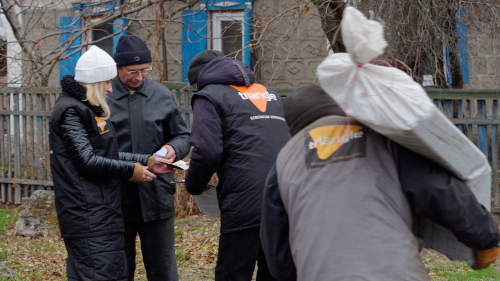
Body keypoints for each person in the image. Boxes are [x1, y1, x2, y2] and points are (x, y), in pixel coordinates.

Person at [260, 84, 500, 281]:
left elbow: (277, 253)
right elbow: (439, 190)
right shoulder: (380, 137)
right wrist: (484, 238)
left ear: (291, 126)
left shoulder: (283, 161)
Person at [49, 46, 169, 280]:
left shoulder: (86, 109)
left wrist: (147, 161)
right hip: (88, 217)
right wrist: (131, 171)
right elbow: (87, 161)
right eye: (106, 83)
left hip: (101, 215)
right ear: (93, 83)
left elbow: (108, 153)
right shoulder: (71, 111)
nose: (110, 89)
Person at [184, 50, 291, 281]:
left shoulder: (208, 95)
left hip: (245, 203)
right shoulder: (269, 93)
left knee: (232, 274)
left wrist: (193, 185)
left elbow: (207, 151)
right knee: (274, 274)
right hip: (285, 198)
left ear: (200, 79)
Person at [107, 35, 190, 281]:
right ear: (117, 68)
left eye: (145, 70)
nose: (139, 77)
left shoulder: (161, 94)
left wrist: (175, 148)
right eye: (133, 71)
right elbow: (99, 150)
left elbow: (183, 135)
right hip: (116, 200)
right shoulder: (104, 96)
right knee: (118, 271)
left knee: (164, 272)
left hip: (157, 197)